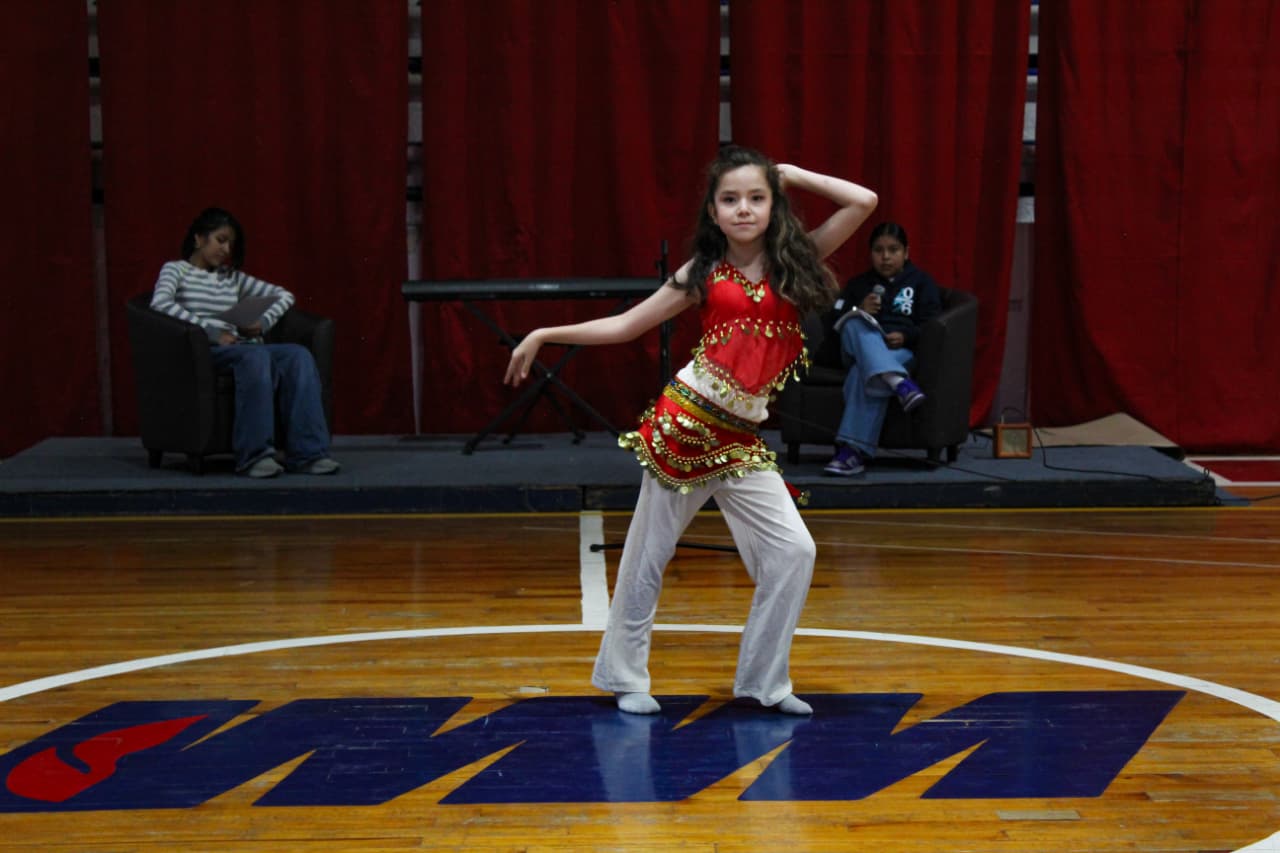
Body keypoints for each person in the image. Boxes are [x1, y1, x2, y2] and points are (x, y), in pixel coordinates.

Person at [505, 146, 877, 715]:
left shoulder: (795, 264)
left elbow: (864, 201)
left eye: (757, 198)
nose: (744, 210)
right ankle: (625, 676)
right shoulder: (701, 273)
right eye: (730, 200)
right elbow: (628, 325)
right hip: (686, 424)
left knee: (793, 551)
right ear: (712, 211)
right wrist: (545, 332)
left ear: (775, 206)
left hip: (742, 439)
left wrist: (794, 175)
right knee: (648, 555)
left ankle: (763, 682)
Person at [150, 207, 340, 478]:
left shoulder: (233, 278)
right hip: (205, 351)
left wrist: (262, 324)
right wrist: (213, 333)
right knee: (255, 357)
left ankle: (309, 454)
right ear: (199, 239)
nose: (226, 250)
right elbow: (160, 303)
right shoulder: (175, 270)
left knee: (298, 355)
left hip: (241, 347)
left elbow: (283, 296)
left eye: (231, 244)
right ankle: (255, 456)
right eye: (221, 240)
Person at [815, 222, 942, 476]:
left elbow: (931, 323)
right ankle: (898, 382)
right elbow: (833, 321)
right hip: (855, 350)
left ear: (906, 252)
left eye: (893, 250)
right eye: (879, 250)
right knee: (853, 321)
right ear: (870, 253)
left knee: (862, 377)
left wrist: (906, 336)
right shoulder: (859, 284)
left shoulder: (921, 283)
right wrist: (857, 309)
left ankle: (851, 453)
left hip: (899, 352)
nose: (885, 257)